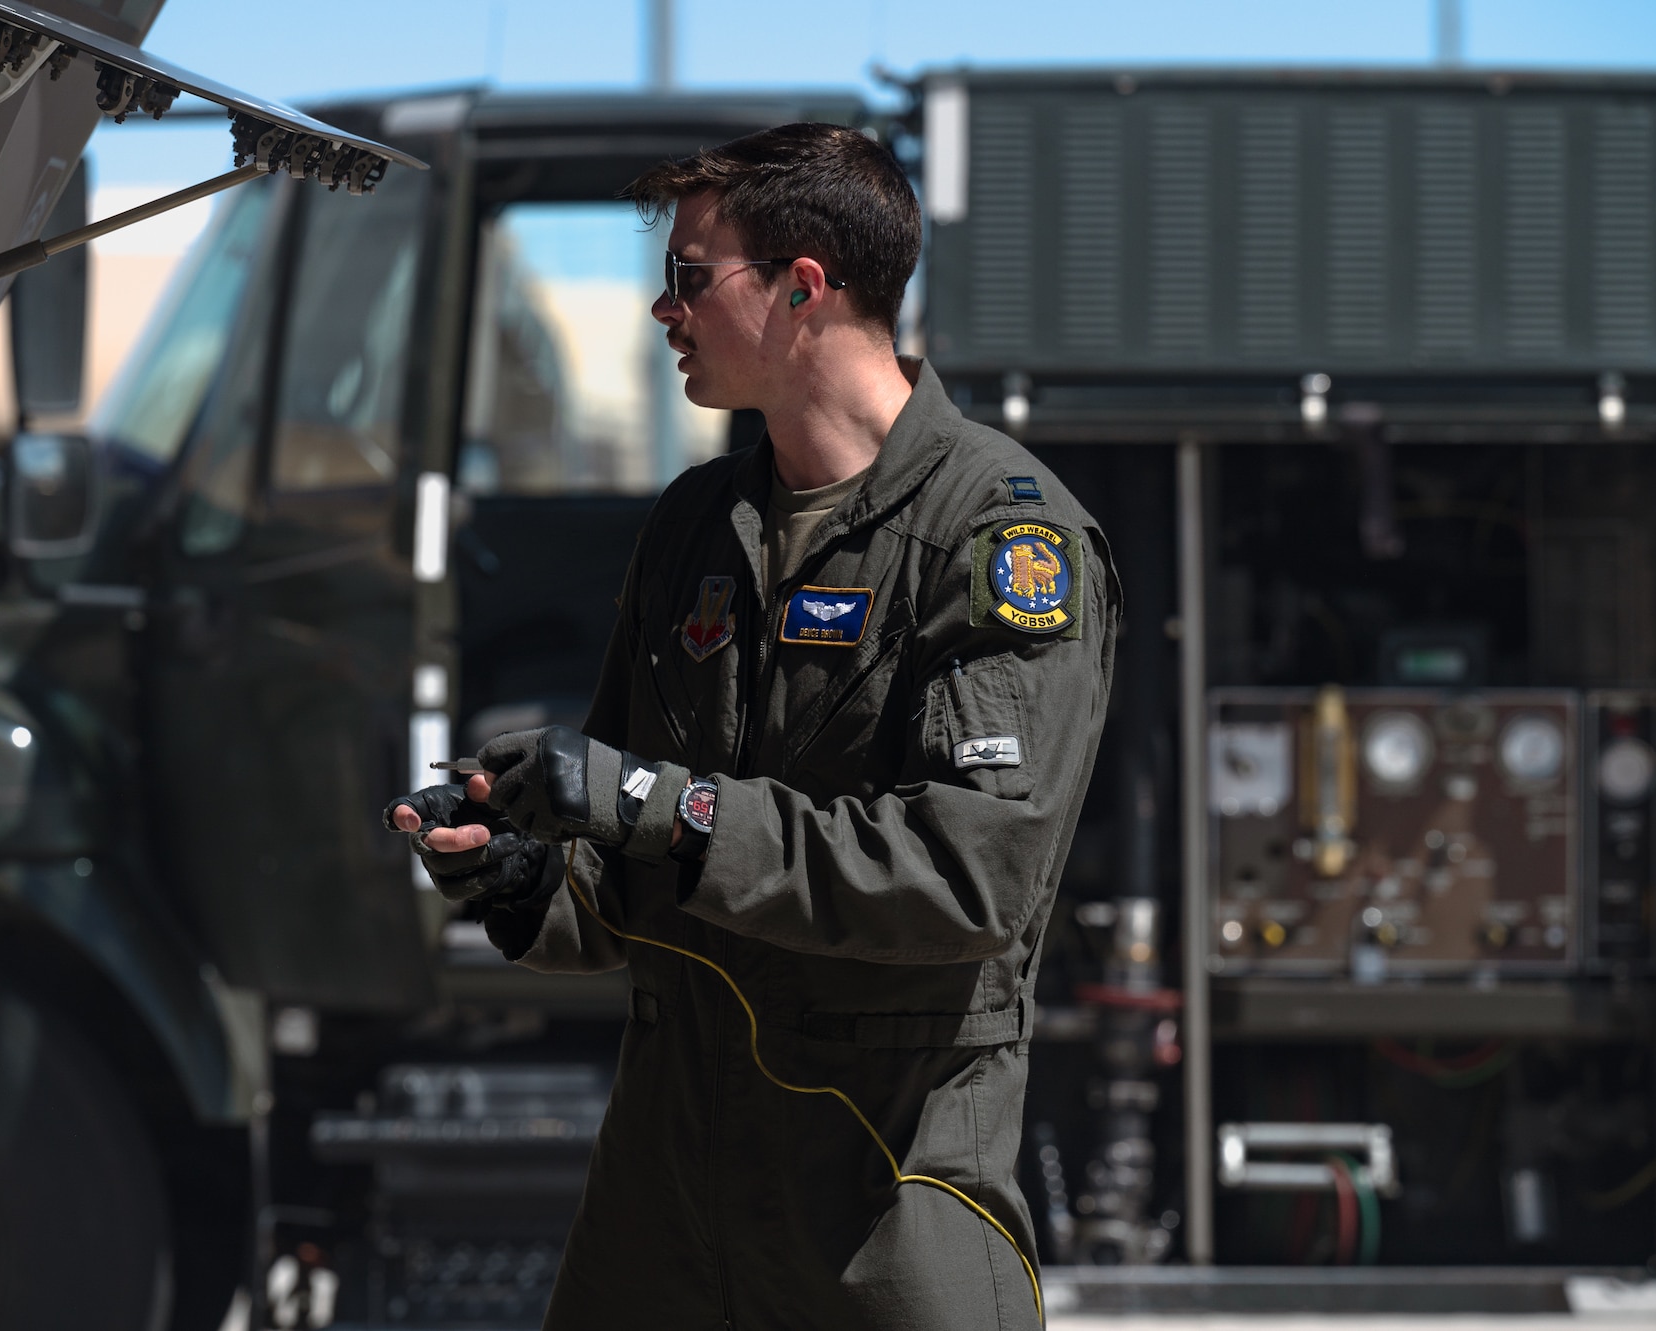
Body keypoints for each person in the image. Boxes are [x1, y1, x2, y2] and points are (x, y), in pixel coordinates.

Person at [385, 121, 1119, 1331]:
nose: (660, 312)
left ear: (803, 289)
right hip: (663, 1204)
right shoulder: (693, 525)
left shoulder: (998, 540)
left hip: (880, 1207)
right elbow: (635, 882)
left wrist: (648, 803)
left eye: (687, 278)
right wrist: (524, 877)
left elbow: (964, 876)